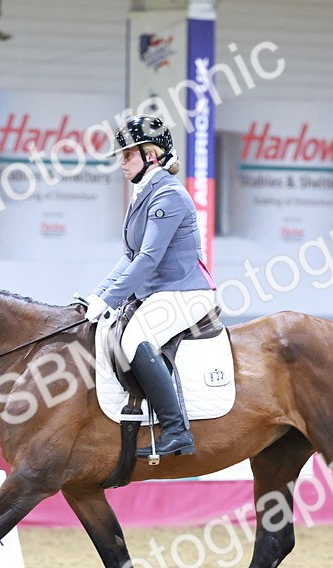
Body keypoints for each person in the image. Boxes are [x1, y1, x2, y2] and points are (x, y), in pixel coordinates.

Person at [81, 115, 217, 458]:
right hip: (160, 291)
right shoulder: (142, 194)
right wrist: (98, 295)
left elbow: (148, 259)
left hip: (185, 291)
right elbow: (129, 257)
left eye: (128, 155)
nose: (122, 162)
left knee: (134, 340)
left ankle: (176, 430)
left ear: (151, 155)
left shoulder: (169, 195)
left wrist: (110, 299)